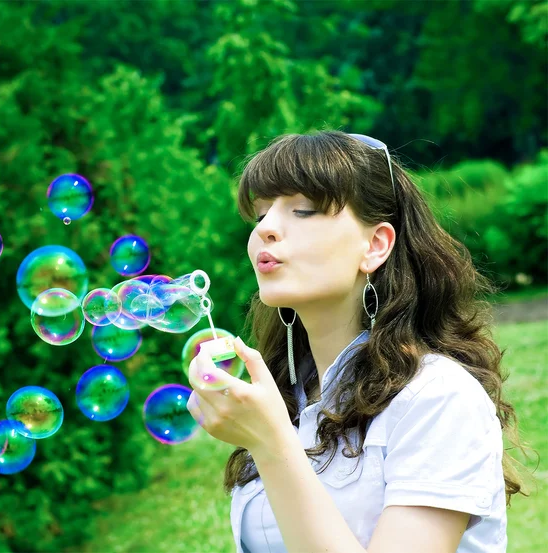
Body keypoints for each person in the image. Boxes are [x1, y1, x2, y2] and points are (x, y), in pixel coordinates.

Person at [221, 130, 534, 552]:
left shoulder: (437, 398)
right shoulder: (290, 396)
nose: (267, 230)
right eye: (260, 215)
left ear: (375, 245)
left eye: (304, 210)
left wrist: (271, 444)